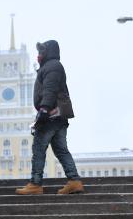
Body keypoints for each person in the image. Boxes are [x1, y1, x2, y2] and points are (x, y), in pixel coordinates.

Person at [16, 40, 84, 195]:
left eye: (41, 52)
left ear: (47, 52)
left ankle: (35, 184)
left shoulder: (52, 66)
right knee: (61, 150)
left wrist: (44, 110)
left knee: (39, 149)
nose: (38, 55)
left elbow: (49, 89)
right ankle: (74, 181)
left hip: (51, 115)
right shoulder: (52, 66)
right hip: (58, 117)